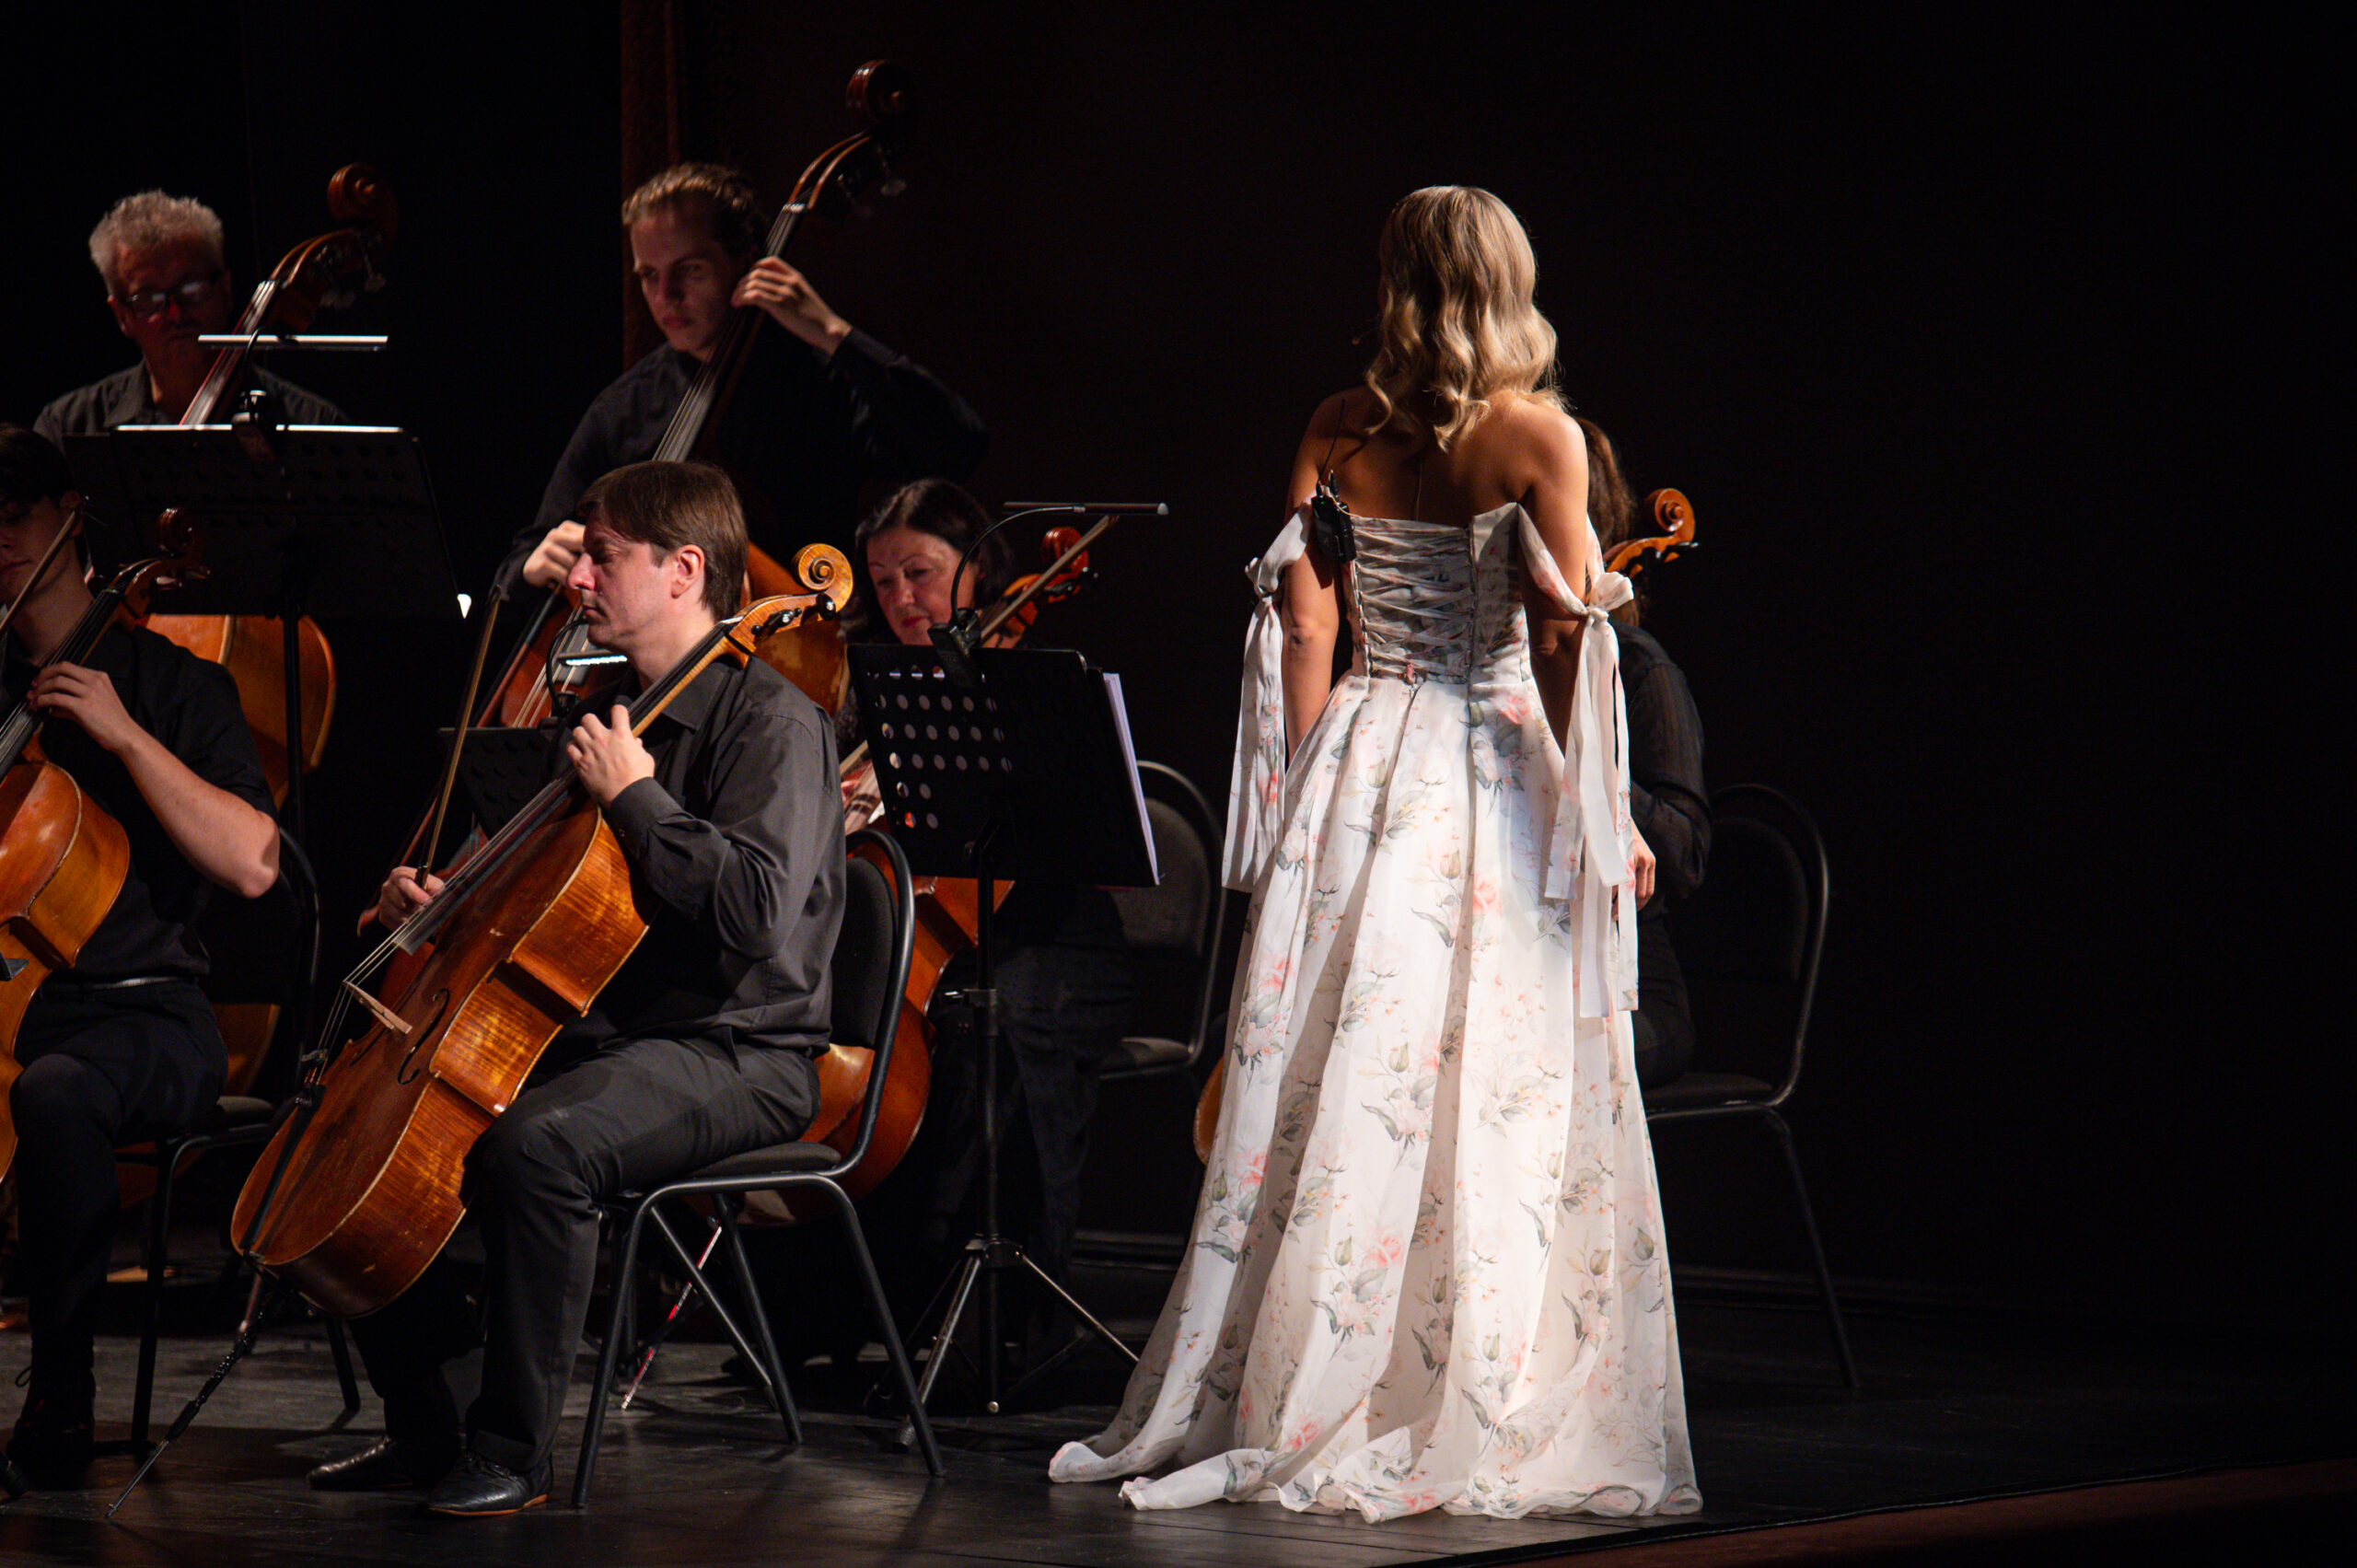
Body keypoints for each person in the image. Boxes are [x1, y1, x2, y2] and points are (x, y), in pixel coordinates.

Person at [1050, 188, 1701, 1518]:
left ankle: (1315, 1374)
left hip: (1360, 755)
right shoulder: (1539, 435)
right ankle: (1452, 1385)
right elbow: (1575, 639)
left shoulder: (1339, 429)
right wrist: (1604, 805)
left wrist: (1304, 795)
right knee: (1478, 1074)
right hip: (1487, 763)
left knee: (1348, 1066)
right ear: (1511, 285)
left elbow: (1303, 624)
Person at [309, 459, 845, 1516]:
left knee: (540, 1147)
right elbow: (547, 893)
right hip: (612, 1034)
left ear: (684, 568)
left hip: (744, 1049)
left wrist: (639, 799)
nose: (580, 572)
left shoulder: (772, 721)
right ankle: (434, 1420)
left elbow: (754, 912)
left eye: (603, 551)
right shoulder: (606, 706)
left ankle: (510, 1447)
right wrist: (438, 895)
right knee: (359, 1120)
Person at [0, 425, 280, 1485]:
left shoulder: (168, 687)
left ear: (71, 516)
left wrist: (122, 735)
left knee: (59, 1094)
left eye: (14, 516)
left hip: (144, 1015)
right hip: (14, 1004)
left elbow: (253, 861)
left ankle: (62, 1390)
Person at [828, 480, 1132, 1346]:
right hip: (937, 951)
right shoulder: (870, 685)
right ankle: (856, 1309)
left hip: (1058, 944)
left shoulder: (1030, 679)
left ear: (982, 568)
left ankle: (1001, 1326)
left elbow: (1079, 825)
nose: (901, 600)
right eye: (882, 582)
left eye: (920, 572)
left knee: (986, 1030)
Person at [497, 163, 987, 597]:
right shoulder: (625, 406)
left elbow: (956, 445)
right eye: (648, 275)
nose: (665, 295)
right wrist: (533, 565)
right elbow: (525, 556)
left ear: (749, 262)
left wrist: (833, 333)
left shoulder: (816, 379)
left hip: (791, 664)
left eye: (689, 269)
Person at [1577, 418, 1709, 1087]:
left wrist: (1595, 776)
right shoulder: (1494, 676)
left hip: (1633, 994)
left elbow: (1682, 855)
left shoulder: (1639, 668)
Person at [34, 191, 345, 436]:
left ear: (226, 290)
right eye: (149, 299)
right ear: (121, 316)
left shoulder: (312, 424)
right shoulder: (69, 426)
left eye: (192, 290)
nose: (175, 314)